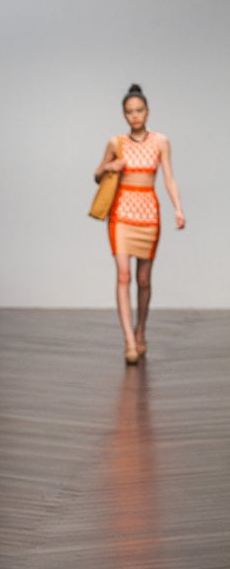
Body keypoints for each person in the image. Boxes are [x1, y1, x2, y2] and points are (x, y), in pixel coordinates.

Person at [94, 84, 185, 363]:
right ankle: (129, 341)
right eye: (129, 112)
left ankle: (141, 330)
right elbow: (97, 175)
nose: (135, 116)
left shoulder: (160, 142)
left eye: (139, 110)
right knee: (124, 276)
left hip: (148, 214)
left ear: (147, 111)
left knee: (144, 280)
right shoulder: (116, 143)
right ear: (124, 114)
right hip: (121, 213)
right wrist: (109, 167)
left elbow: (169, 177)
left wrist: (178, 209)